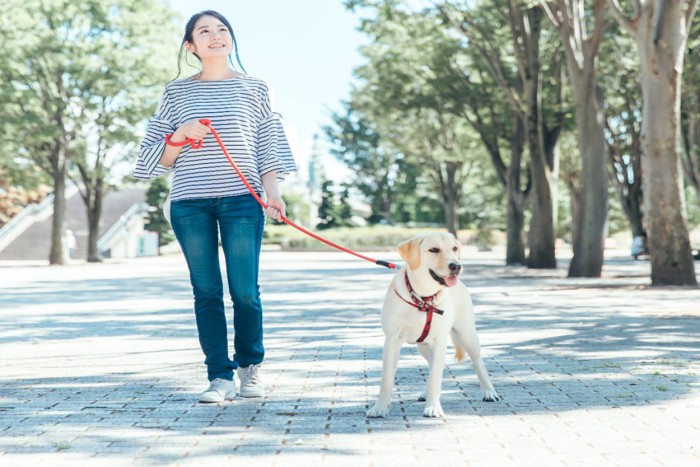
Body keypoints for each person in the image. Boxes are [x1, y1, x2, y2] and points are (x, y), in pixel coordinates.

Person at [134, 10, 296, 403]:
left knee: (245, 290)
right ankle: (219, 377)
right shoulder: (176, 93)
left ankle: (250, 370)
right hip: (190, 203)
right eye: (204, 31)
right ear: (191, 46)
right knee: (206, 290)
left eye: (222, 29)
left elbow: (267, 144)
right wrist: (178, 135)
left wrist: (271, 192)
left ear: (231, 39)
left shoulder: (256, 87)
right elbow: (153, 159)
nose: (215, 36)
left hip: (243, 201)